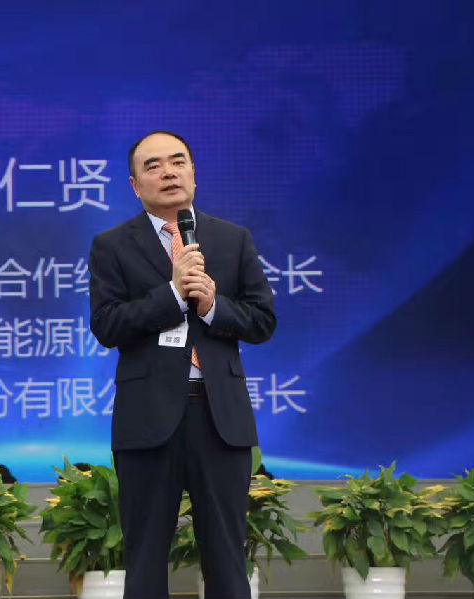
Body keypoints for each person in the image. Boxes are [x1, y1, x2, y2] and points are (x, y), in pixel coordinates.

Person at [88, 131, 275, 598]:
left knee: (228, 557)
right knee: (146, 557)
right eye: (153, 166)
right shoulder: (113, 245)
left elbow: (262, 321)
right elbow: (107, 326)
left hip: (219, 417)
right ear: (135, 185)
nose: (168, 172)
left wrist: (213, 307)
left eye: (178, 162)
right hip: (148, 418)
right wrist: (172, 293)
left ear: (193, 172)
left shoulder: (232, 239)